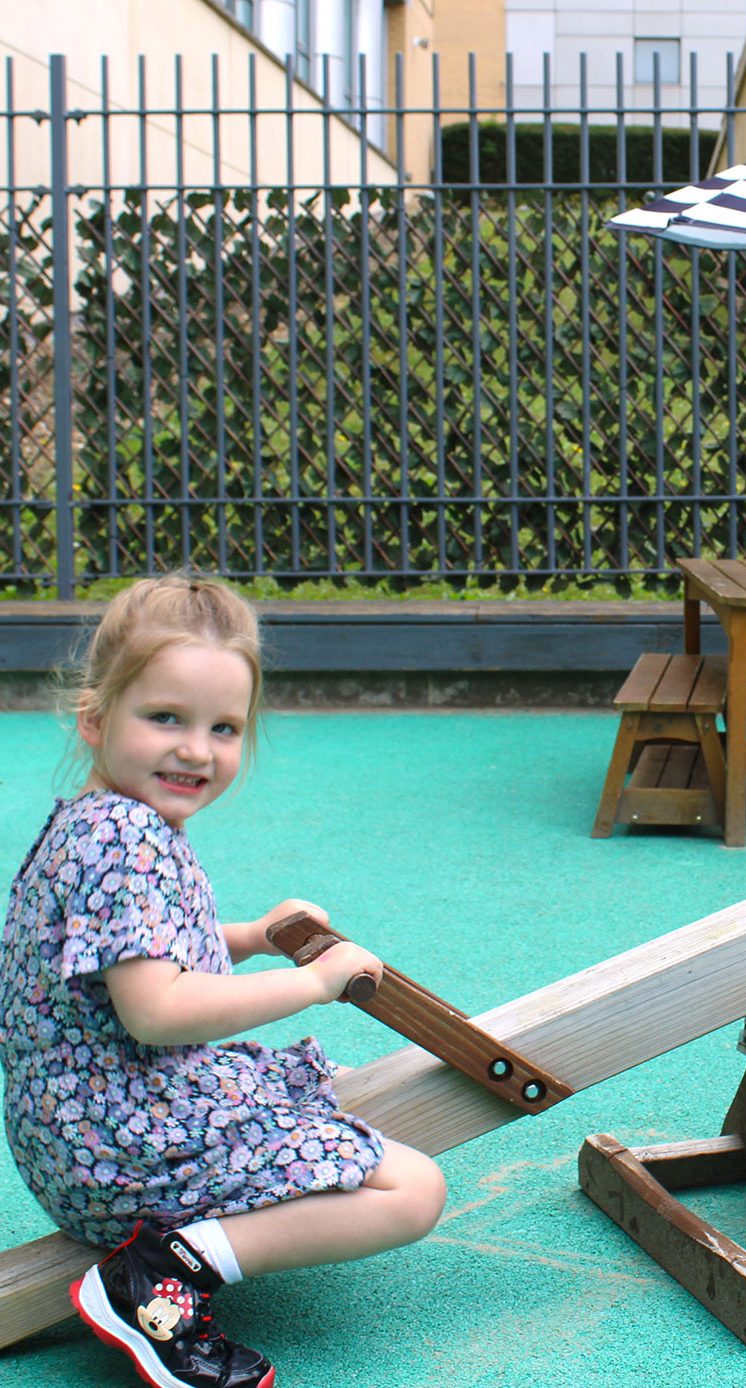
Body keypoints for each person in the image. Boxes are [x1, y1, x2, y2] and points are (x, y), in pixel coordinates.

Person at [1, 575, 447, 1388]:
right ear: (96, 719)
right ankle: (162, 1275)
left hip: (81, 1126)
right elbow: (157, 1010)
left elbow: (142, 958)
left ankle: (169, 1260)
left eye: (224, 727)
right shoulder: (124, 840)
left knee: (331, 1099)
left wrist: (251, 936)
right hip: (116, 1148)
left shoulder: (109, 819)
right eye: (165, 717)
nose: (197, 749)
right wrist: (315, 984)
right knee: (415, 1190)